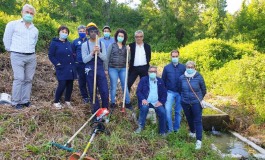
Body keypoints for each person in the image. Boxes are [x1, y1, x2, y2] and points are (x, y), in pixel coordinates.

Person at [3, 4, 38, 109]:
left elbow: (34, 42)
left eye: (31, 13)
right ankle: (15, 102)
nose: (29, 14)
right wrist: (11, 50)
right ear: (22, 12)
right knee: (19, 78)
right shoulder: (13, 24)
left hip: (31, 56)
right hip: (17, 55)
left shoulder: (34, 29)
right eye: (27, 12)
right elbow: (7, 38)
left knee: (28, 79)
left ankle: (25, 100)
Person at [178, 61, 206, 150]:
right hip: (185, 102)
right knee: (189, 118)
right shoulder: (182, 78)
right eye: (188, 67)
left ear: (194, 68)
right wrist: (184, 98)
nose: (190, 68)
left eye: (191, 67)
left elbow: (203, 89)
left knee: (197, 120)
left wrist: (199, 98)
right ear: (186, 68)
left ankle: (199, 140)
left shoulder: (199, 77)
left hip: (196, 103)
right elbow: (179, 89)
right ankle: (192, 132)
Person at [81, 22, 109, 113]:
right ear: (88, 33)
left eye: (95, 31)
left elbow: (105, 58)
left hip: (100, 68)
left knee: (104, 91)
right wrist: (92, 53)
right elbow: (84, 60)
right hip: (90, 69)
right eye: (91, 31)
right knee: (92, 92)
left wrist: (99, 52)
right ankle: (96, 113)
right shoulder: (84, 45)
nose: (93, 33)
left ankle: (105, 111)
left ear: (97, 33)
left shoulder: (102, 44)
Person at [48, 25, 77, 109]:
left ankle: (67, 101)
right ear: (59, 32)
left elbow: (72, 54)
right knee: (62, 84)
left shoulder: (69, 43)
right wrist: (57, 64)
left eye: (66, 32)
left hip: (70, 67)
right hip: (61, 67)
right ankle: (56, 101)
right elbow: (51, 55)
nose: (64, 34)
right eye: (62, 32)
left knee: (70, 84)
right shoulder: (54, 43)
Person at [104, 29, 132, 110]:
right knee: (113, 86)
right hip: (113, 68)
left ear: (124, 37)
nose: (120, 37)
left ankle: (127, 102)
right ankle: (112, 103)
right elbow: (106, 58)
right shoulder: (112, 45)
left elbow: (128, 59)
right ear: (116, 36)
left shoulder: (125, 47)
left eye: (122, 36)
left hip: (123, 68)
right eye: (119, 36)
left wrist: (129, 51)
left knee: (125, 86)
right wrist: (106, 69)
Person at [135, 66, 167, 135]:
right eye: (151, 71)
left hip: (156, 102)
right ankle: (140, 127)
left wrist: (161, 102)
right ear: (148, 72)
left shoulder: (160, 81)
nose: (153, 73)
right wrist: (143, 99)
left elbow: (164, 93)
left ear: (156, 73)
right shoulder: (144, 80)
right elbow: (138, 91)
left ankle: (162, 132)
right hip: (146, 101)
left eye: (154, 72)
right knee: (144, 108)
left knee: (162, 112)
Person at [162, 50, 186, 133]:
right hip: (170, 92)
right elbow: (163, 81)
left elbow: (186, 80)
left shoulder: (183, 67)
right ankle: (170, 129)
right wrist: (164, 92)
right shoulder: (167, 68)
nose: (175, 58)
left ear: (179, 56)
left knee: (178, 111)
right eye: (173, 56)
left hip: (180, 93)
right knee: (168, 110)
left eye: (176, 56)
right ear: (171, 57)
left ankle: (176, 129)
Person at [71, 25, 89, 104]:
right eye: (80, 31)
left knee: (89, 80)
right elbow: (72, 53)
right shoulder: (75, 42)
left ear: (86, 32)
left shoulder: (89, 41)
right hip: (79, 64)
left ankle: (92, 95)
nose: (82, 32)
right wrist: (75, 63)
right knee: (82, 81)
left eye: (83, 31)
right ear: (78, 32)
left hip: (88, 64)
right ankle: (85, 97)